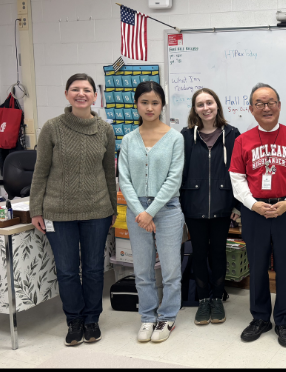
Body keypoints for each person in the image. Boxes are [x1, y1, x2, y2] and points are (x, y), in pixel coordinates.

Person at [30, 73, 117, 346]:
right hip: (58, 212)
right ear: (67, 94)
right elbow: (40, 171)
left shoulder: (105, 130)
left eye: (87, 90)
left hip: (97, 211)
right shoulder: (52, 127)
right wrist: (36, 209)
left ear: (95, 96)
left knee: (93, 269)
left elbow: (108, 173)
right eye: (76, 89)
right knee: (67, 270)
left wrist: (113, 208)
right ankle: (74, 321)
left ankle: (92, 319)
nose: (82, 94)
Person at [229, 83, 286, 348]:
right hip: (255, 212)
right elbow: (237, 178)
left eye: (271, 102)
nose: (267, 107)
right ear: (251, 109)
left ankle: (283, 321)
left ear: (279, 105)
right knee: (258, 265)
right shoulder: (242, 140)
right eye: (260, 103)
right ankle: (260, 318)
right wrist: (253, 204)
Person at [118, 81, 186, 343]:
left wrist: (151, 211)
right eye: (144, 102)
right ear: (136, 104)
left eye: (155, 102)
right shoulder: (128, 139)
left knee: (170, 270)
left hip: (167, 209)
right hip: (136, 211)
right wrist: (140, 212)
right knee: (143, 270)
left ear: (162, 105)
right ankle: (147, 316)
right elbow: (124, 178)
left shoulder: (175, 138)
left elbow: (173, 179)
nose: (149, 107)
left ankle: (167, 317)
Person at [179, 88, 241, 326]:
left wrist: (236, 205)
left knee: (218, 253)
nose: (206, 108)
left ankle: (217, 298)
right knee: (199, 253)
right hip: (193, 205)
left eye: (209, 103)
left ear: (217, 105)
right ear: (195, 109)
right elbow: (179, 173)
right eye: (200, 104)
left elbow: (240, 172)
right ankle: (203, 299)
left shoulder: (233, 134)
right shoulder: (185, 136)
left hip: (223, 205)